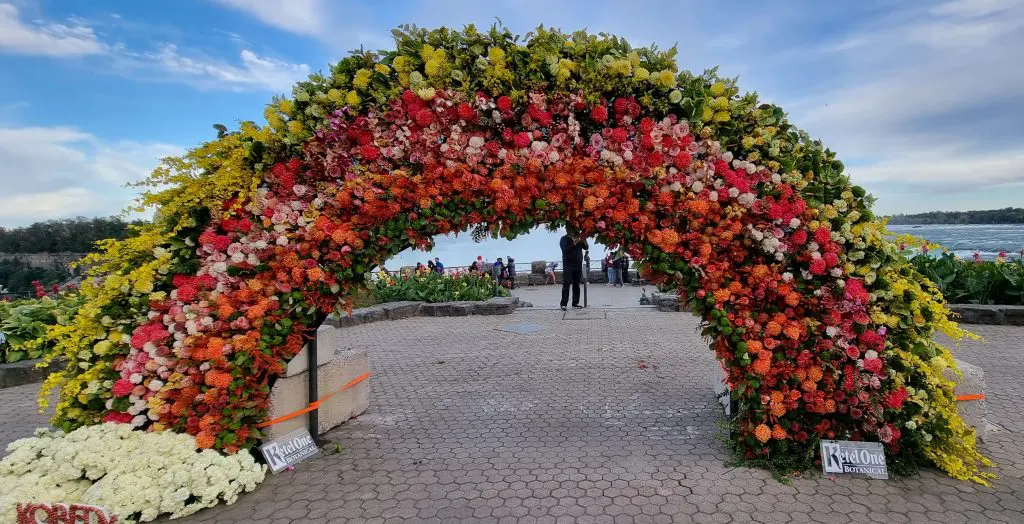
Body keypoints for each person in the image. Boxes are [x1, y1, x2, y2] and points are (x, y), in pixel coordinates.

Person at [559, 228, 588, 311]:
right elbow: (565, 250)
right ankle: (563, 304)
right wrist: (575, 242)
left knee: (576, 285)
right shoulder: (564, 239)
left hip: (578, 265)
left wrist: (584, 240)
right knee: (566, 285)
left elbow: (586, 247)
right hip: (568, 265)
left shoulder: (578, 238)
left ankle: (575, 303)